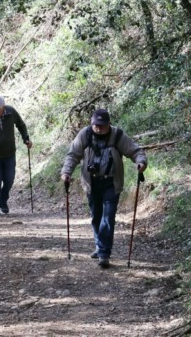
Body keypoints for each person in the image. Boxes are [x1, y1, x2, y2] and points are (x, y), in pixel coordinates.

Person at [61, 108, 146, 268]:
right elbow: (73, 154)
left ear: (108, 124)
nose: (98, 128)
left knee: (108, 217)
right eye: (96, 125)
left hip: (111, 183)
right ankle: (99, 245)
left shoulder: (117, 135)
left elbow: (135, 151)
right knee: (96, 216)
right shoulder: (85, 134)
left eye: (102, 125)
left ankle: (104, 253)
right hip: (91, 182)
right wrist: (66, 172)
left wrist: (141, 162)